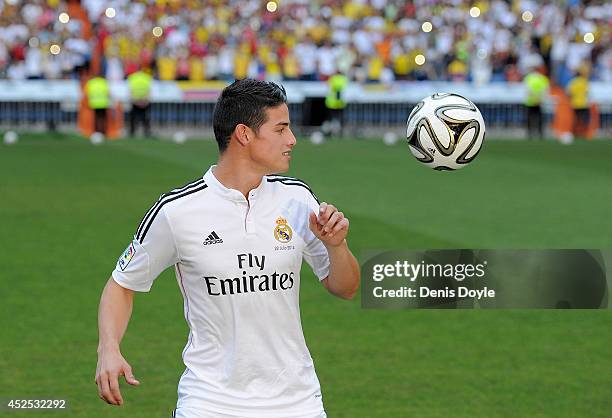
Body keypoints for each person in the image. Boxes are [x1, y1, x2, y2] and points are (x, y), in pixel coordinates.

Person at [95, 79, 360, 418]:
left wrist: (337, 247)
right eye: (280, 129)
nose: (292, 140)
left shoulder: (297, 199)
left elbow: (346, 288)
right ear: (244, 134)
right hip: (210, 403)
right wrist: (109, 348)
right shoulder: (177, 211)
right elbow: (121, 283)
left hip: (298, 402)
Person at [523, 66, 549, 140]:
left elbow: (527, 89)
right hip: (539, 101)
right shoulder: (543, 78)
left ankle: (530, 132)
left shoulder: (528, 78)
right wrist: (540, 98)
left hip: (530, 101)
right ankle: (540, 133)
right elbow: (545, 90)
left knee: (530, 118)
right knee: (539, 117)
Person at [566, 65, 590, 139]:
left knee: (576, 120)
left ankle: (575, 134)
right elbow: (587, 92)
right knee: (585, 120)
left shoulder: (573, 82)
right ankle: (584, 133)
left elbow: (568, 93)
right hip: (584, 104)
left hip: (575, 104)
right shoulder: (584, 81)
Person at [127, 68, 153, 137]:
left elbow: (130, 91)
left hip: (135, 101)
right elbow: (149, 91)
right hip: (144, 101)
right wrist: (146, 100)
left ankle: (132, 132)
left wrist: (135, 101)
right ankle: (147, 132)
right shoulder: (147, 77)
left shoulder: (132, 77)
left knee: (133, 118)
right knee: (145, 118)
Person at [324, 71, 349, 137]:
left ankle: (328, 132)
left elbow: (329, 88)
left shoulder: (332, 78)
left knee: (330, 119)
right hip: (340, 103)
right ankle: (338, 133)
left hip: (332, 103)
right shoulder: (344, 79)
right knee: (339, 119)